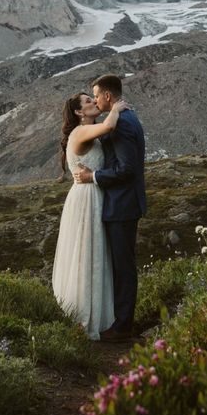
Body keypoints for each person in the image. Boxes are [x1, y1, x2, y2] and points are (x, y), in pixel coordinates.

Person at [74, 74, 146, 341]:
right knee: (119, 264)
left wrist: (92, 177)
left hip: (122, 206)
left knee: (123, 267)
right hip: (120, 204)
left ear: (107, 96)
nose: (94, 99)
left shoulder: (122, 124)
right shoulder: (125, 118)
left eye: (96, 94)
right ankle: (118, 320)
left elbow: (126, 169)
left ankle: (123, 327)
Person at [52, 91, 128, 340]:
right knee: (85, 252)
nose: (94, 102)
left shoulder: (87, 133)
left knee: (95, 253)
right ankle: (82, 317)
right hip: (86, 198)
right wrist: (115, 107)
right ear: (78, 112)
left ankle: (97, 314)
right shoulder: (80, 132)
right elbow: (108, 125)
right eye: (88, 102)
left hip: (93, 195)